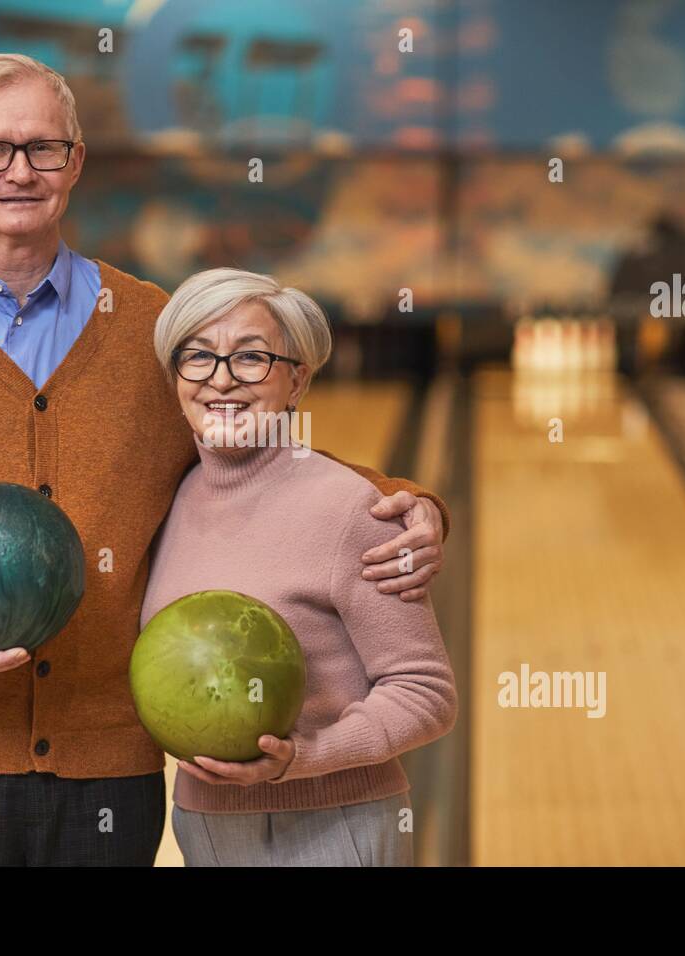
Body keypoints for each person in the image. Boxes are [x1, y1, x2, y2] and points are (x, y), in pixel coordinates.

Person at [0, 54, 451, 867]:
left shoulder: (153, 326)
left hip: (107, 768)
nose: (19, 170)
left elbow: (252, 438)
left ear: (75, 162)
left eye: (44, 148)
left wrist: (405, 496)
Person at [143, 268, 458, 866]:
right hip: (204, 824)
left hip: (332, 824)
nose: (222, 379)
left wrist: (305, 758)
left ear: (297, 380)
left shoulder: (352, 510)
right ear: (174, 378)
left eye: (251, 358)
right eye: (199, 357)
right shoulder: (167, 500)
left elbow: (427, 693)